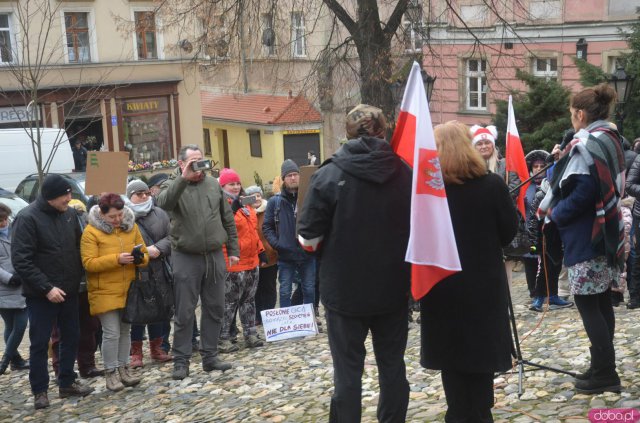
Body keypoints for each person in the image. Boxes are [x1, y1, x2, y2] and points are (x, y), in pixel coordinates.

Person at [298, 104, 412, 423]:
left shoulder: (328, 174)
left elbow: (308, 239)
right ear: (384, 131)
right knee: (392, 366)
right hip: (392, 288)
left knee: (347, 372)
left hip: (344, 292)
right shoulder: (405, 172)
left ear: (346, 135)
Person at [419, 121, 518, 422]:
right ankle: (479, 410)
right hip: (483, 284)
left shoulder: (429, 193)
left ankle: (459, 412)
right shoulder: (492, 185)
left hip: (443, 285)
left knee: (453, 358)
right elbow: (509, 232)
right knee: (481, 351)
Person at [539, 83, 624, 394]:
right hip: (604, 232)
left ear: (579, 113)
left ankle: (605, 373)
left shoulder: (587, 143)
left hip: (586, 234)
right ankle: (603, 366)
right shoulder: (610, 139)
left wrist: (555, 213)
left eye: (571, 113)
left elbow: (585, 192)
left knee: (589, 304)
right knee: (601, 302)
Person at [156, 144, 239, 380]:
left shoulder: (213, 184)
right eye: (193, 161)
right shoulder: (172, 184)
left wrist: (233, 248)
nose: (198, 165)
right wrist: (183, 178)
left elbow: (227, 218)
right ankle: (181, 361)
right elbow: (162, 204)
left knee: (215, 308)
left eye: (201, 160)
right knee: (184, 311)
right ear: (181, 164)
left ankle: (210, 356)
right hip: (185, 255)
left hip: (213, 255)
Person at [11, 174, 94, 409]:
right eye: (65, 195)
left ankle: (67, 381)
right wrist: (47, 288)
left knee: (71, 337)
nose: (70, 198)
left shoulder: (68, 215)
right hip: (41, 295)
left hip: (68, 290)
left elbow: (78, 248)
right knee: (39, 343)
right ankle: (40, 390)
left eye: (70, 193)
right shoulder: (27, 219)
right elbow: (22, 260)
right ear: (49, 197)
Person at [81, 193, 148, 391]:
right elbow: (88, 263)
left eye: (119, 214)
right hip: (104, 290)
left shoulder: (131, 227)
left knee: (125, 331)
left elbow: (144, 253)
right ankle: (110, 372)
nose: (117, 219)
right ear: (102, 215)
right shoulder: (91, 232)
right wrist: (116, 259)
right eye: (112, 217)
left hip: (129, 288)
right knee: (111, 333)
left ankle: (123, 368)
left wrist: (139, 259)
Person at [51, 199, 104, 379]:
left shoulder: (90, 230)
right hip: (64, 287)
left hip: (87, 286)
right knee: (61, 331)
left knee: (89, 327)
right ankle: (61, 370)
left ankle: (87, 365)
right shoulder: (57, 231)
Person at [124, 180, 173, 368]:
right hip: (135, 269)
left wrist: (158, 249)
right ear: (130, 196)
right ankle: (135, 352)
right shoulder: (124, 216)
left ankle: (157, 348)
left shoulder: (160, 213)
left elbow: (171, 236)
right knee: (138, 310)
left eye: (146, 193)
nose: (144, 196)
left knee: (160, 308)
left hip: (159, 267)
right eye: (139, 194)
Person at [217, 169, 266, 353]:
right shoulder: (220, 204)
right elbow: (220, 229)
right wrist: (233, 208)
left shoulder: (247, 205)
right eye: (231, 184)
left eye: (237, 183)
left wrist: (260, 251)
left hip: (251, 261)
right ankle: (224, 338)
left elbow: (252, 231)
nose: (236, 186)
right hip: (232, 261)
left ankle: (250, 333)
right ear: (223, 186)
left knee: (249, 300)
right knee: (229, 302)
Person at [471, 125, 522, 290]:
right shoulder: (470, 167)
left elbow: (515, 185)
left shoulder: (505, 165)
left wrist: (499, 195)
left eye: (487, 142)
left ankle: (505, 298)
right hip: (480, 223)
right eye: (480, 143)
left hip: (501, 220)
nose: (484, 146)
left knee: (506, 264)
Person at [525, 150, 574, 312]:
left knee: (555, 266)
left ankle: (552, 295)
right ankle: (539, 298)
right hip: (542, 238)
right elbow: (532, 220)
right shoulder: (542, 194)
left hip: (557, 237)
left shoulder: (563, 193)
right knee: (543, 268)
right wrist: (533, 242)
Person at [263, 159, 316, 308]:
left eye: (295, 174)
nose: (293, 178)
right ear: (283, 179)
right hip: (286, 255)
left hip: (307, 253)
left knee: (309, 289)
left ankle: (309, 318)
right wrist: (278, 244)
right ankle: (287, 320)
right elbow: (267, 227)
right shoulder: (275, 202)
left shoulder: (308, 198)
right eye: (289, 175)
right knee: (285, 291)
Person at [0, 203, 29, 375]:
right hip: (5, 287)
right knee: (14, 326)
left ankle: (12, 360)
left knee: (17, 326)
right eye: (0, 221)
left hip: (20, 285)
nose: (3, 223)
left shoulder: (14, 231)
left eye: (4, 219)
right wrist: (9, 278)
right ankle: (9, 360)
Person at [246, 185, 278, 326]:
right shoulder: (245, 212)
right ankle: (258, 316)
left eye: (258, 195)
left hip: (270, 256)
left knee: (269, 286)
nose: (257, 198)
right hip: (253, 258)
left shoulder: (269, 210)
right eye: (253, 196)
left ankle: (270, 315)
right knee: (256, 289)